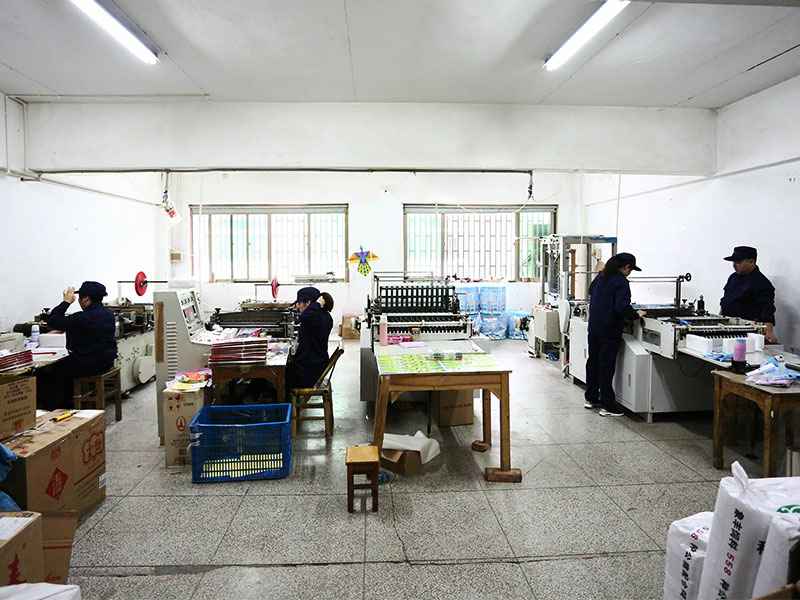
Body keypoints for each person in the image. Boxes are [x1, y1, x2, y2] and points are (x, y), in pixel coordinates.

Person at [584, 253, 645, 417]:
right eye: (630, 270)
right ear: (626, 267)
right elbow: (621, 307)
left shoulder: (601, 277)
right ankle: (608, 405)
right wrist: (636, 314)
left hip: (594, 327)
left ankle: (591, 398)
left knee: (593, 362)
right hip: (609, 330)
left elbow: (591, 292)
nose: (629, 273)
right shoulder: (621, 282)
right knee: (606, 366)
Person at [44, 281, 118, 408]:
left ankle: (59, 407)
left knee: (51, 370)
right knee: (65, 366)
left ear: (86, 299)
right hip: (106, 362)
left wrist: (66, 302)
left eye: (79, 298)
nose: (78, 301)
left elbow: (52, 321)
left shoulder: (82, 318)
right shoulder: (109, 314)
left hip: (88, 365)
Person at [720, 246, 777, 343]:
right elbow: (726, 300)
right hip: (727, 327)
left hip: (747, 332)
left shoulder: (762, 283)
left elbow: (767, 310)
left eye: (738, 262)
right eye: (733, 262)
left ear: (751, 261)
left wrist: (769, 332)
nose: (734, 265)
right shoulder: (733, 277)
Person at [286, 287, 334, 392]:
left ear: (308, 303)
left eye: (299, 303)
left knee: (280, 375)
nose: (297, 306)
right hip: (317, 366)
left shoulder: (312, 317)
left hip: (308, 372)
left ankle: (285, 401)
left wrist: (316, 304)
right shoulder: (325, 316)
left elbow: (302, 318)